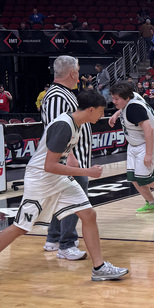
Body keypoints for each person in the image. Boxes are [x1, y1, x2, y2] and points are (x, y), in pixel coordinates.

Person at [0, 89, 129, 287]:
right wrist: (86, 171)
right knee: (21, 227)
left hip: (59, 179)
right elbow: (49, 165)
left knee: (89, 215)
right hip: (41, 180)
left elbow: (61, 150)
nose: (102, 115)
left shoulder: (76, 122)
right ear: (90, 109)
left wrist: (72, 159)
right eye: (101, 111)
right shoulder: (64, 125)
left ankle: (99, 267)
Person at [40, 56, 95, 260]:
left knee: (62, 198)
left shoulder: (64, 94)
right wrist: (70, 157)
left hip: (74, 158)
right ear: (72, 73)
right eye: (78, 70)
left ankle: (54, 238)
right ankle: (67, 243)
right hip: (69, 161)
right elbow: (56, 128)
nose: (79, 73)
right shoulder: (56, 96)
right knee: (75, 200)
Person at [108, 81, 154, 214]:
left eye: (116, 99)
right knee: (133, 178)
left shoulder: (134, 109)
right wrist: (116, 114)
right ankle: (152, 203)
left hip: (148, 142)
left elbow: (149, 130)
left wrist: (148, 154)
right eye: (113, 98)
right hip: (134, 144)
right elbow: (125, 106)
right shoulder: (133, 96)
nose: (113, 101)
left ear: (126, 98)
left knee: (144, 178)